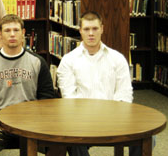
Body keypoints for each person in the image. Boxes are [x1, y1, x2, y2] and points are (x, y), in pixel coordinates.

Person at [57, 11, 143, 156]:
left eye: (95, 29)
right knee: (71, 139)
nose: (91, 33)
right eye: (86, 29)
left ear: (102, 29)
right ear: (80, 31)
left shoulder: (117, 59)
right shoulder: (68, 60)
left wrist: (112, 116)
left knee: (146, 136)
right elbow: (69, 97)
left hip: (114, 117)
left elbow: (125, 94)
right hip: (81, 120)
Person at [0, 14, 57, 156]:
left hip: (32, 122)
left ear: (23, 33)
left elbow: (47, 97)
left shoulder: (38, 62)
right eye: (7, 30)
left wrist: (33, 117)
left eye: (16, 30)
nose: (12, 34)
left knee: (58, 143)